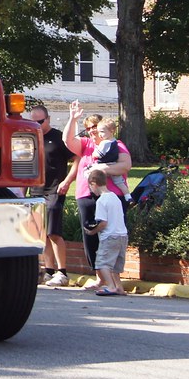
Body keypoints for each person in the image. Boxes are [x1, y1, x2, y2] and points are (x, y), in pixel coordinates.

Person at [59, 102, 132, 288]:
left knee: (111, 234)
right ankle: (100, 277)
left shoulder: (116, 145)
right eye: (88, 128)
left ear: (103, 129)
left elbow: (125, 165)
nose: (92, 131)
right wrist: (73, 118)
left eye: (95, 127)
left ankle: (114, 281)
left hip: (111, 195)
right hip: (86, 195)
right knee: (90, 236)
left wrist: (101, 168)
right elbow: (67, 141)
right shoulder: (86, 145)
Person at [29, 105, 76, 287]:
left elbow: (76, 159)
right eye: (33, 121)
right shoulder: (30, 137)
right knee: (42, 234)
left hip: (54, 190)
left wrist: (67, 181)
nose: (37, 125)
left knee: (54, 232)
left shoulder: (58, 138)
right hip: (36, 190)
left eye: (40, 121)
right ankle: (48, 270)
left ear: (48, 119)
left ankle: (62, 271)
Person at [84, 169, 130, 296]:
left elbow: (103, 223)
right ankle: (119, 287)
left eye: (90, 186)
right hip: (122, 235)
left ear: (93, 184)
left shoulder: (101, 201)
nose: (90, 189)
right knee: (115, 265)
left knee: (102, 263)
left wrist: (92, 232)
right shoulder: (115, 197)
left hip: (109, 236)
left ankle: (110, 286)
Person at [92, 117, 132, 207]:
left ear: (112, 130)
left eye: (102, 132)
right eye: (99, 132)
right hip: (114, 164)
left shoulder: (104, 143)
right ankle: (128, 196)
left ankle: (94, 192)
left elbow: (98, 154)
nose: (100, 135)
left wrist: (93, 154)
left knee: (89, 173)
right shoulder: (115, 142)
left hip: (104, 164)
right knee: (119, 182)